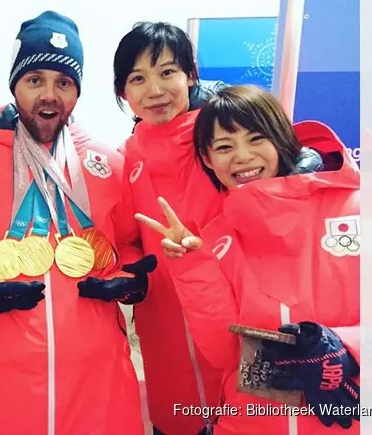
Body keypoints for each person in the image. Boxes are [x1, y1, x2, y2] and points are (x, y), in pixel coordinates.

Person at [0, 11, 155, 435]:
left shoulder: (109, 164)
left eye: (63, 82)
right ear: (15, 84)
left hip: (97, 376)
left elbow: (129, 243)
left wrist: (130, 276)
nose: (49, 95)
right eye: (35, 80)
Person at [137, 85, 360, 434]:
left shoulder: (362, 211)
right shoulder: (216, 237)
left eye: (256, 139)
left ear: (283, 140)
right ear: (207, 160)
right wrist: (192, 264)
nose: (241, 156)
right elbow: (226, 355)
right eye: (224, 147)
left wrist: (349, 349)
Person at [114, 21, 227, 434]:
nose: (154, 90)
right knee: (174, 420)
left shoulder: (222, 137)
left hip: (228, 308)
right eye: (137, 78)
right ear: (123, 91)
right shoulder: (125, 156)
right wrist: (128, 270)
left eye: (167, 72)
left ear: (190, 75)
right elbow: (123, 238)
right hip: (161, 318)